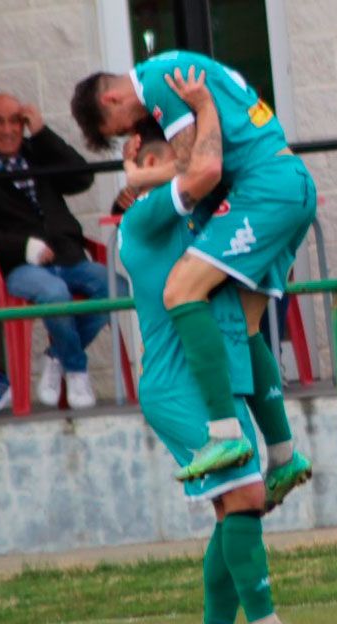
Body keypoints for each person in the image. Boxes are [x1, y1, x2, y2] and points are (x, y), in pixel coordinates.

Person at [119, 70, 320, 624]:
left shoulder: (219, 224)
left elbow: (253, 334)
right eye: (166, 155)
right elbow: (198, 169)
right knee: (245, 495)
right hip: (175, 385)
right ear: (144, 164)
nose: (183, 162)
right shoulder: (145, 217)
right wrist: (203, 106)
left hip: (212, 379)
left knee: (237, 505)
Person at [71, 51, 314, 495]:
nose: (135, 129)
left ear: (111, 98)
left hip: (264, 191)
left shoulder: (158, 81)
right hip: (287, 182)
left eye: (122, 127)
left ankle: (223, 435)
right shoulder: (171, 64)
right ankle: (283, 454)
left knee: (181, 290)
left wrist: (138, 177)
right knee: (249, 324)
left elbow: (198, 168)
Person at [0, 92, 121, 410]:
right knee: (56, 293)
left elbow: (81, 177)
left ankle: (59, 357)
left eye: (15, 121)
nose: (8, 130)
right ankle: (76, 371)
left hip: (69, 258)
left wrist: (43, 133)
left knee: (118, 288)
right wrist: (23, 247)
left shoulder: (37, 154)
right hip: (18, 268)